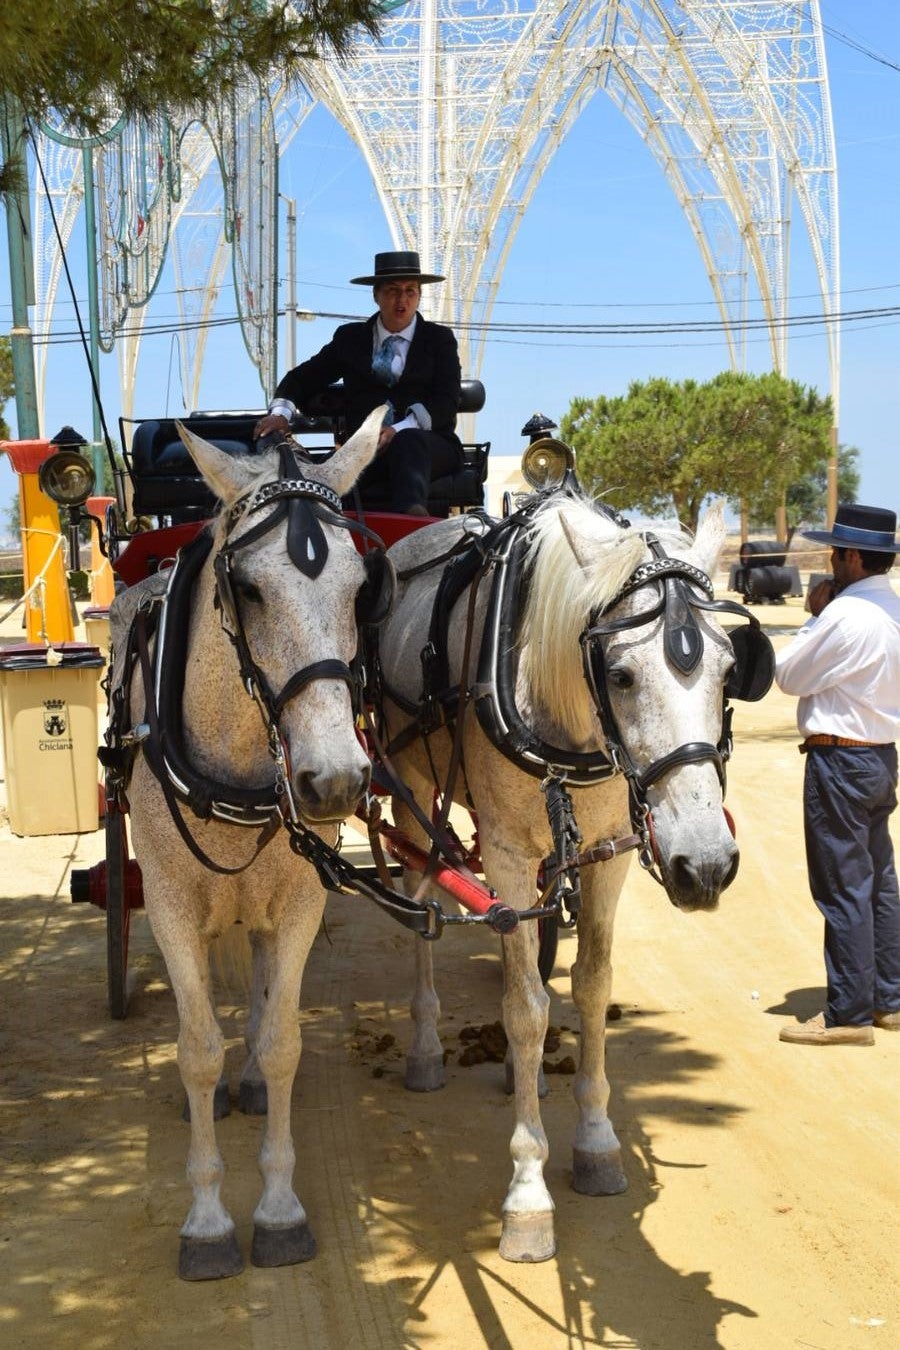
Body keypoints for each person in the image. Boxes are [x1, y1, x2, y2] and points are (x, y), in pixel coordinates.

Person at [775, 504, 900, 1045]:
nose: (829, 562)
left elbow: (788, 675)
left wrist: (814, 615)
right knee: (880, 882)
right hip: (879, 755)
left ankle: (848, 1014)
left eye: (834, 553)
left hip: (840, 761)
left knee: (844, 885)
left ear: (852, 557)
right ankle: (889, 1001)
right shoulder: (893, 610)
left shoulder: (846, 616)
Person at [254, 250, 463, 515]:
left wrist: (398, 429)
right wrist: (280, 414)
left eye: (411, 291)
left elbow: (446, 401)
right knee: (316, 478)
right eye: (392, 290)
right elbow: (303, 377)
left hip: (427, 447)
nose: (402, 299)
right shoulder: (350, 339)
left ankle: (412, 526)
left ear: (419, 296)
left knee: (408, 442)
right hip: (365, 451)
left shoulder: (439, 339)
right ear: (376, 295)